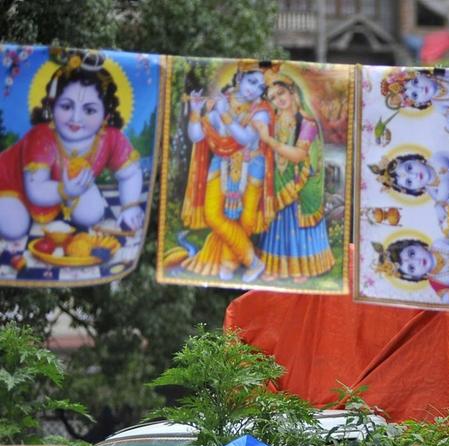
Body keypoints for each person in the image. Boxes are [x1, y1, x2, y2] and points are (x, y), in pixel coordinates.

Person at [0, 50, 147, 267]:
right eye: (66, 106)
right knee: (15, 228)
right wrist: (66, 190)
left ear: (106, 115)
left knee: (92, 214)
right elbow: (36, 190)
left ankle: (63, 206)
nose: (76, 118)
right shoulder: (42, 136)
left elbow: (130, 173)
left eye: (89, 110)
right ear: (52, 106)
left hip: (62, 190)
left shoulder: (110, 138)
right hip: (13, 185)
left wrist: (130, 206)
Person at [180, 60, 275, 281]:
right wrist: (195, 112)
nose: (254, 90)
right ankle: (253, 262)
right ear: (239, 78)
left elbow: (245, 139)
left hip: (252, 166)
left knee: (246, 221)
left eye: (261, 87)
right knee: (212, 214)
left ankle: (228, 263)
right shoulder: (221, 102)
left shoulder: (261, 111)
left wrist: (225, 115)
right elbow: (197, 136)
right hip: (221, 163)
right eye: (251, 82)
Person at [251, 75, 334, 281]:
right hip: (279, 180)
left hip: (302, 183)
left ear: (292, 92)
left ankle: (303, 268)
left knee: (297, 223)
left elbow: (298, 155)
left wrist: (268, 139)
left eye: (281, 93)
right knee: (277, 223)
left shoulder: (307, 123)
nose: (278, 100)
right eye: (272, 97)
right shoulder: (275, 120)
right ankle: (274, 267)